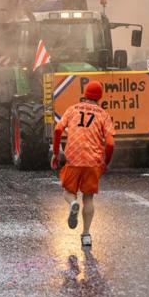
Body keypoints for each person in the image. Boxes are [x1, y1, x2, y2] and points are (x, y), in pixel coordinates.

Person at [51, 80, 115, 248]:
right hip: (93, 161)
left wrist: (56, 154)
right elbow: (110, 144)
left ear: (85, 94)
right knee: (88, 198)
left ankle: (73, 204)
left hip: (73, 158)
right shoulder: (103, 115)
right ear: (99, 97)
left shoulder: (72, 110)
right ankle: (86, 235)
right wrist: (105, 162)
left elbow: (58, 130)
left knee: (68, 191)